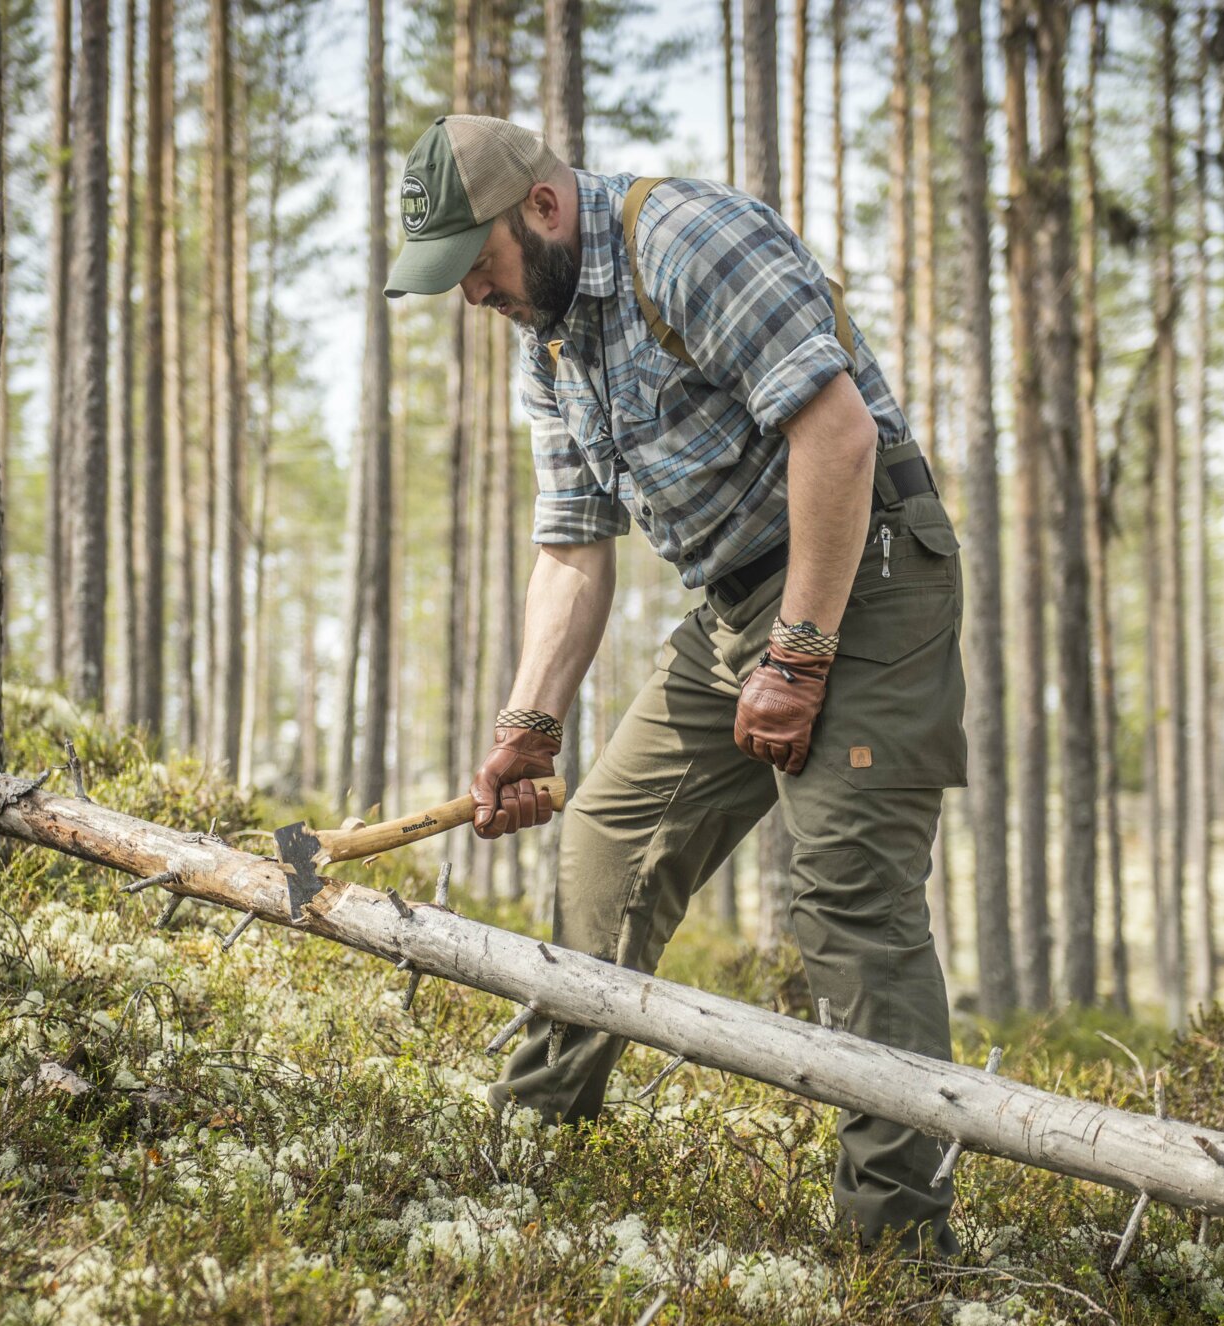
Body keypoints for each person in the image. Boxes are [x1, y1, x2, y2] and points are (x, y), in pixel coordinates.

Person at [385, 114, 968, 1255]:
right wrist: (528, 722)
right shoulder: (548, 339)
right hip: (736, 609)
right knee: (604, 839)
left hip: (870, 574)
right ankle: (539, 1144)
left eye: (479, 268)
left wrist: (798, 655)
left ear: (541, 212)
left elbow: (838, 438)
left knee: (846, 899)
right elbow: (572, 545)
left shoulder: (689, 242)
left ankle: (899, 1250)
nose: (473, 298)